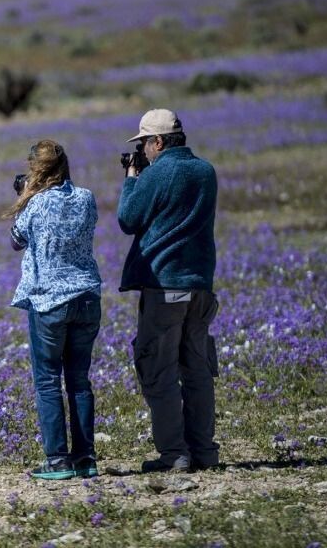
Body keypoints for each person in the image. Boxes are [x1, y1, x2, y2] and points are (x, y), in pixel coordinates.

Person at [117, 109, 220, 473]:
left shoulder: (158, 172)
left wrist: (131, 179)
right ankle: (204, 452)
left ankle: (174, 453)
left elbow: (128, 219)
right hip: (201, 285)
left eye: (144, 143)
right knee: (197, 369)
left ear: (158, 141)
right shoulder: (206, 171)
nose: (142, 150)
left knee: (158, 370)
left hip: (165, 284)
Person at [6, 139, 103, 480]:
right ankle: (86, 459)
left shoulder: (34, 205)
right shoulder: (87, 198)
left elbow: (17, 240)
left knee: (48, 381)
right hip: (87, 298)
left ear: (36, 169)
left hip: (49, 301)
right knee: (79, 381)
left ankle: (58, 461)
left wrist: (24, 198)